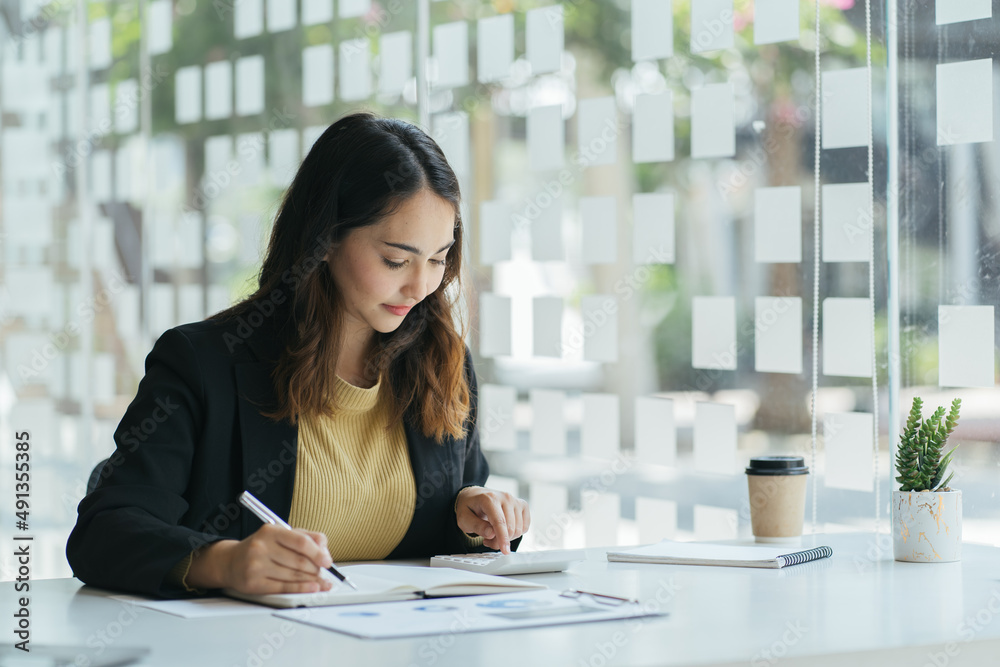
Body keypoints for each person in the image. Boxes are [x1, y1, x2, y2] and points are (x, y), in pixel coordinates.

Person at [66, 111, 530, 599]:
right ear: (326, 238)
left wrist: (472, 515)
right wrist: (221, 562)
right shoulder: (203, 364)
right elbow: (104, 532)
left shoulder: (442, 362)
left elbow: (442, 540)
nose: (421, 286)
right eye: (396, 260)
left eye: (438, 259)